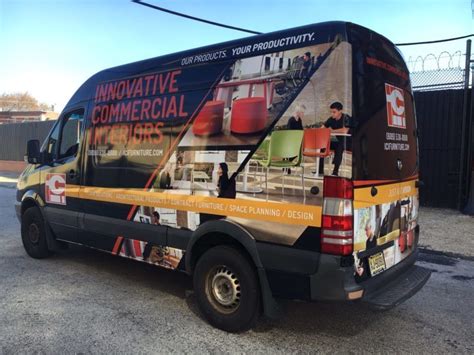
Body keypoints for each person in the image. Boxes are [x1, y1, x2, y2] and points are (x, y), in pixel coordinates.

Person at [323, 102, 352, 176]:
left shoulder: (346, 117)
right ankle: (320, 171)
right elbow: (323, 128)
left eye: (334, 112)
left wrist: (332, 131)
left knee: (340, 145)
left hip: (350, 143)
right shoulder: (331, 119)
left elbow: (345, 130)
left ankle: (335, 172)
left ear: (340, 111)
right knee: (323, 145)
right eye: (331, 112)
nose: (332, 114)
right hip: (340, 142)